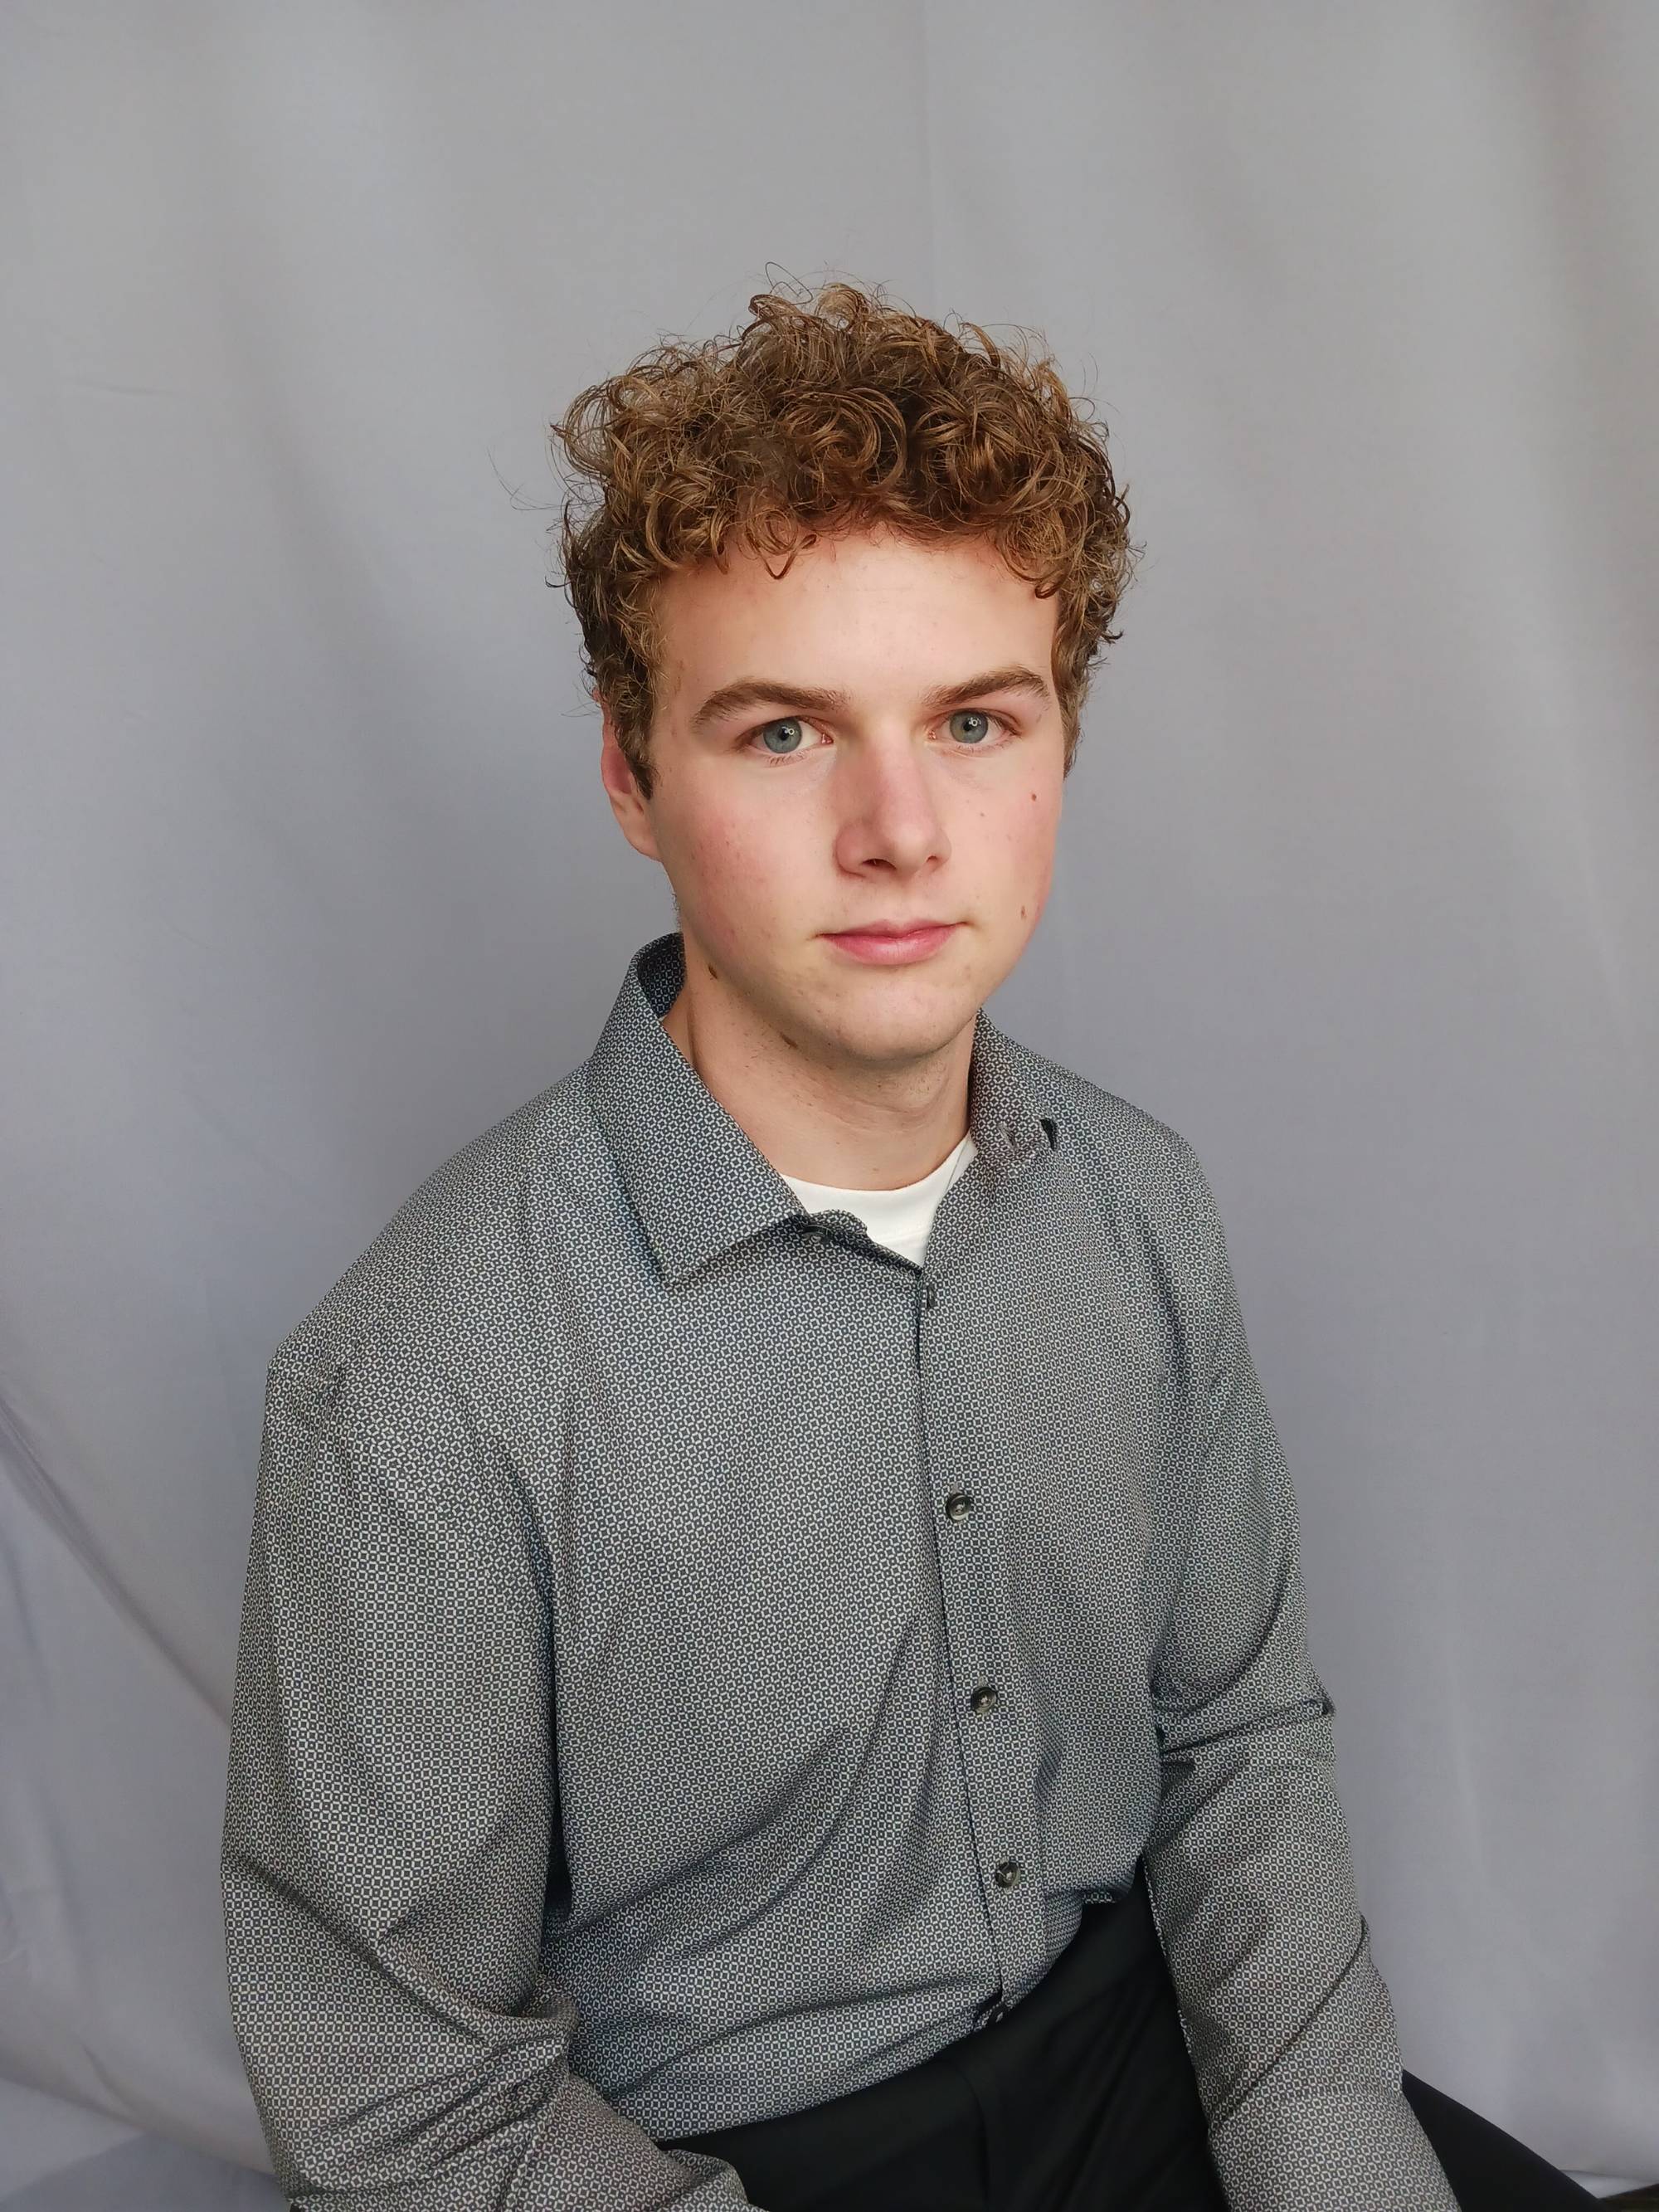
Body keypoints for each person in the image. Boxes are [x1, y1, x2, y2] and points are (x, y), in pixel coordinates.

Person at [221, 279, 1595, 2210]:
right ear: (633, 776)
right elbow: (402, 2091)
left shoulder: (1139, 1204)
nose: (896, 826)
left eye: (970, 720)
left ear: (1059, 744)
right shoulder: (420, 1386)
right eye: (784, 732)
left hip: (1143, 2058)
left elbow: (1239, 1745)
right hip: (714, 2163)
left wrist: (1331, 2171)